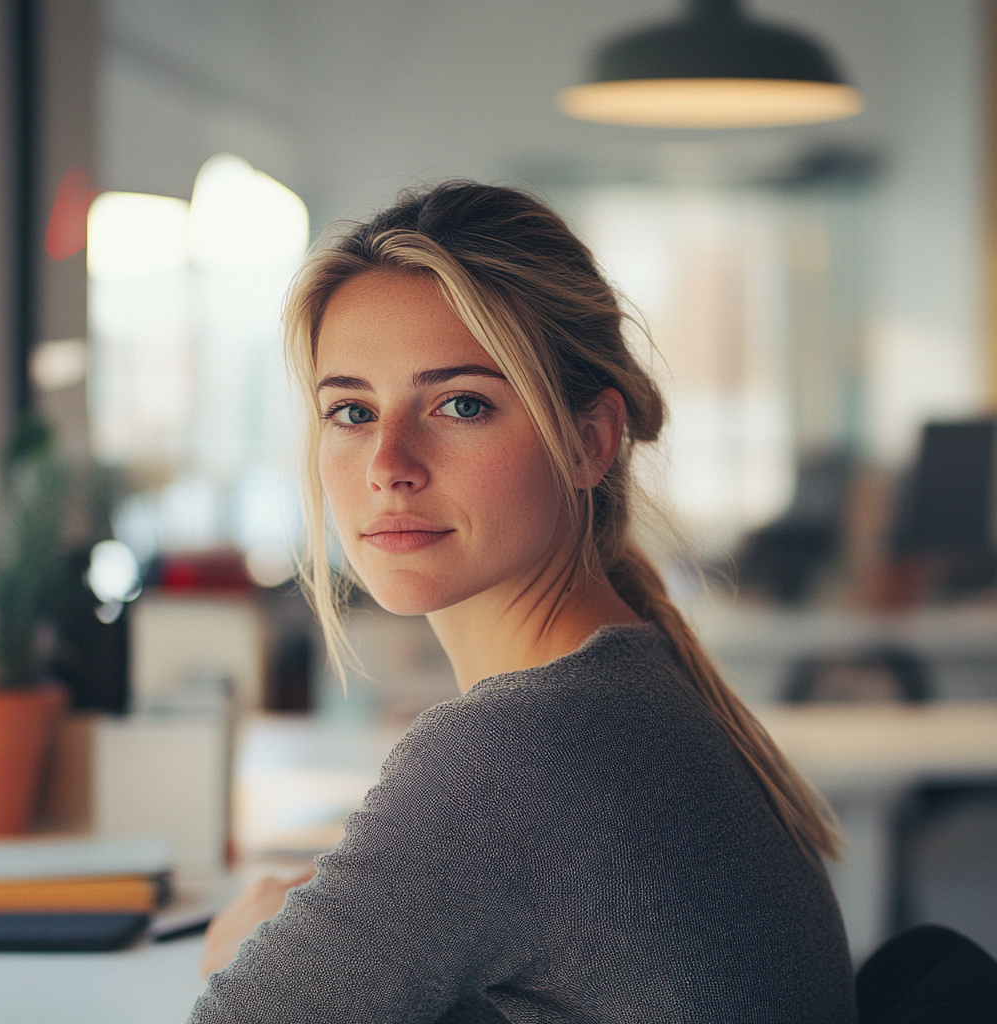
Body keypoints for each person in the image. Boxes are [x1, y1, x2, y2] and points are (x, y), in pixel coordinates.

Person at [189, 182, 856, 1023]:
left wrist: (245, 950)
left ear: (588, 441)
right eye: (352, 411)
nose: (388, 463)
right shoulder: (625, 691)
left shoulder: (508, 756)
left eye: (461, 404)